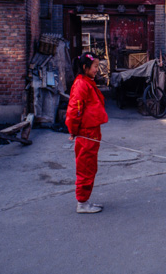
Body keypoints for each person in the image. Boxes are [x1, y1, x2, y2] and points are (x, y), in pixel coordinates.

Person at [65, 52, 109, 213]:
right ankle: (82, 202)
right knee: (85, 167)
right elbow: (74, 111)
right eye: (95, 66)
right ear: (85, 67)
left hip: (92, 131)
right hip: (86, 133)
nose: (97, 69)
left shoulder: (87, 81)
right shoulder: (81, 84)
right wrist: (73, 130)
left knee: (90, 166)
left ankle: (85, 200)